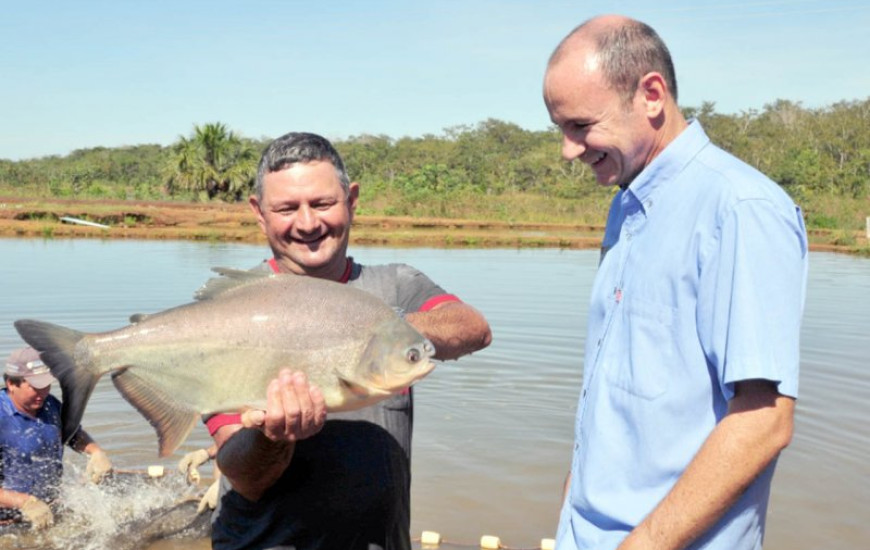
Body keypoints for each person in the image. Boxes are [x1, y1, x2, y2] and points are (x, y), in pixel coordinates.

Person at [543, 15, 808, 550]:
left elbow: (763, 422)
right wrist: (573, 506)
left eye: (581, 126)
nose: (568, 150)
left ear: (652, 94)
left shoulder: (740, 210)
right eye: (561, 130)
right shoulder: (627, 205)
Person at [203, 131, 492, 550]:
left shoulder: (395, 286)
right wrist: (272, 437)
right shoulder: (230, 311)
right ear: (259, 212)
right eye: (286, 208)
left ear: (351, 201)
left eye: (322, 203)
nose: (307, 223)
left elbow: (473, 328)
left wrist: (377, 329)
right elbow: (245, 479)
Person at [0, 346, 113, 529]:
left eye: (46, 385)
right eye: (35, 387)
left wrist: (95, 451)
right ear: (12, 384)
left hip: (49, 508)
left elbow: (73, 433)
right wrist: (25, 502)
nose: (43, 392)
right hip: (7, 522)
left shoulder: (49, 404)